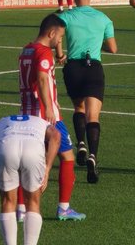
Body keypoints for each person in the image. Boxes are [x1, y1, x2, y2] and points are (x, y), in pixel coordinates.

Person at [18, 13, 85, 221]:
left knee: (26, 161)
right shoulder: (44, 52)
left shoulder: (26, 50)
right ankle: (63, 208)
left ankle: (20, 210)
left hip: (27, 113)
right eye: (60, 36)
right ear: (51, 32)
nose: (59, 41)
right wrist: (48, 108)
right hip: (47, 115)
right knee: (67, 156)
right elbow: (42, 78)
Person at [58, 0, 118, 184]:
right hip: (94, 67)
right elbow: (113, 48)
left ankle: (81, 143)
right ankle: (93, 156)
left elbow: (56, 37)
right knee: (94, 115)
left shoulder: (66, 16)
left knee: (78, 108)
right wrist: (95, 44)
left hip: (73, 67)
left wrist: (60, 54)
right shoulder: (103, 18)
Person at [0, 113, 62, 245]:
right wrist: (48, 168)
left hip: (7, 147)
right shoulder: (41, 122)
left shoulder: (0, 122)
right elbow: (56, 135)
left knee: (7, 201)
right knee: (33, 202)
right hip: (33, 150)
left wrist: (0, 174)